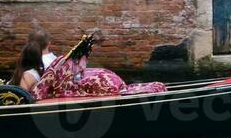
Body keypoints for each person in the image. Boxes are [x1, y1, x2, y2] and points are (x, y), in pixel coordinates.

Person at [34, 34, 168, 100]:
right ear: (49, 43)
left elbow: (40, 88)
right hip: (91, 77)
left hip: (73, 84)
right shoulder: (56, 59)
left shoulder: (39, 63)